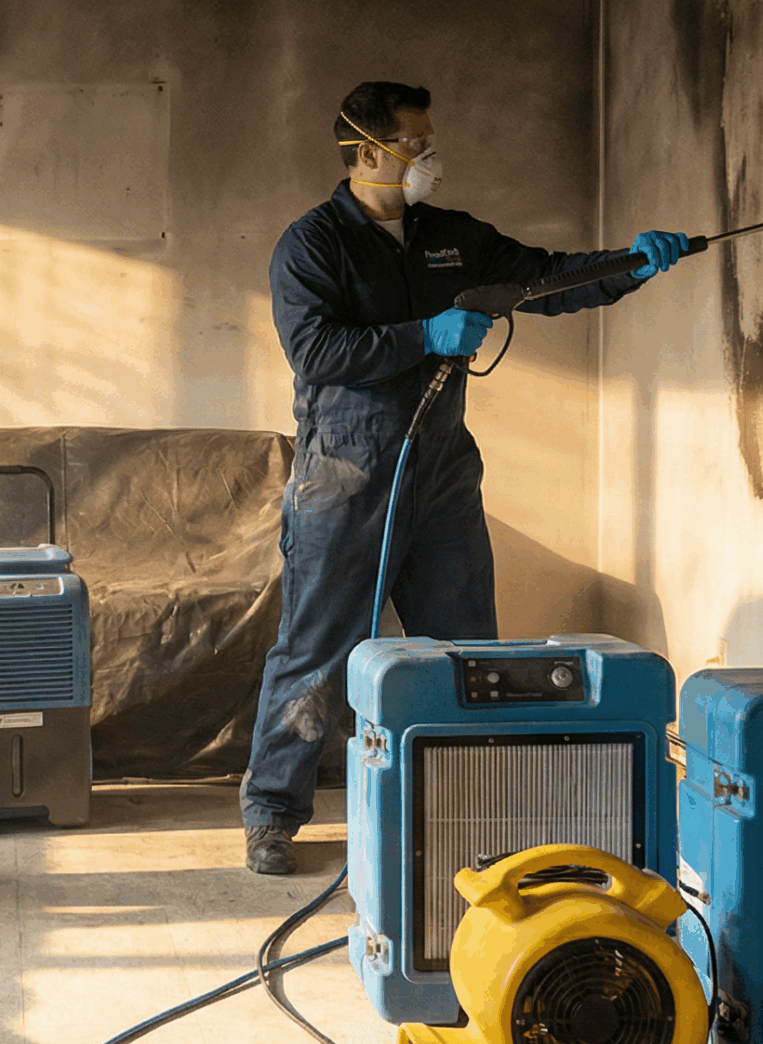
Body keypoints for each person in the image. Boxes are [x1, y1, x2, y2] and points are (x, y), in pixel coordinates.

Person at [241, 82, 690, 875]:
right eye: (416, 145)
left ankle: (472, 807)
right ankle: (273, 812)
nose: (430, 160)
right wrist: (425, 333)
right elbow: (318, 351)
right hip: (346, 471)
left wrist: (630, 264)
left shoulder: (451, 236)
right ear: (368, 152)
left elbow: (543, 277)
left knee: (465, 650)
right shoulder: (312, 246)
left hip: (441, 471)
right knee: (315, 649)